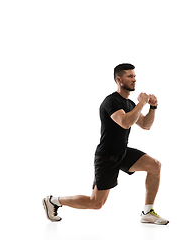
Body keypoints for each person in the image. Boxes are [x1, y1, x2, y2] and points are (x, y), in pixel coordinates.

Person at [43, 63, 169, 225]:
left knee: (154, 165)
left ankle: (147, 212)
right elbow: (124, 122)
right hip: (107, 156)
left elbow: (146, 125)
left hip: (122, 152)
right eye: (129, 76)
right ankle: (54, 201)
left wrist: (153, 107)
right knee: (96, 203)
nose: (134, 80)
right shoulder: (111, 101)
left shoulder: (130, 104)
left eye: (135, 76)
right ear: (118, 79)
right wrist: (142, 103)